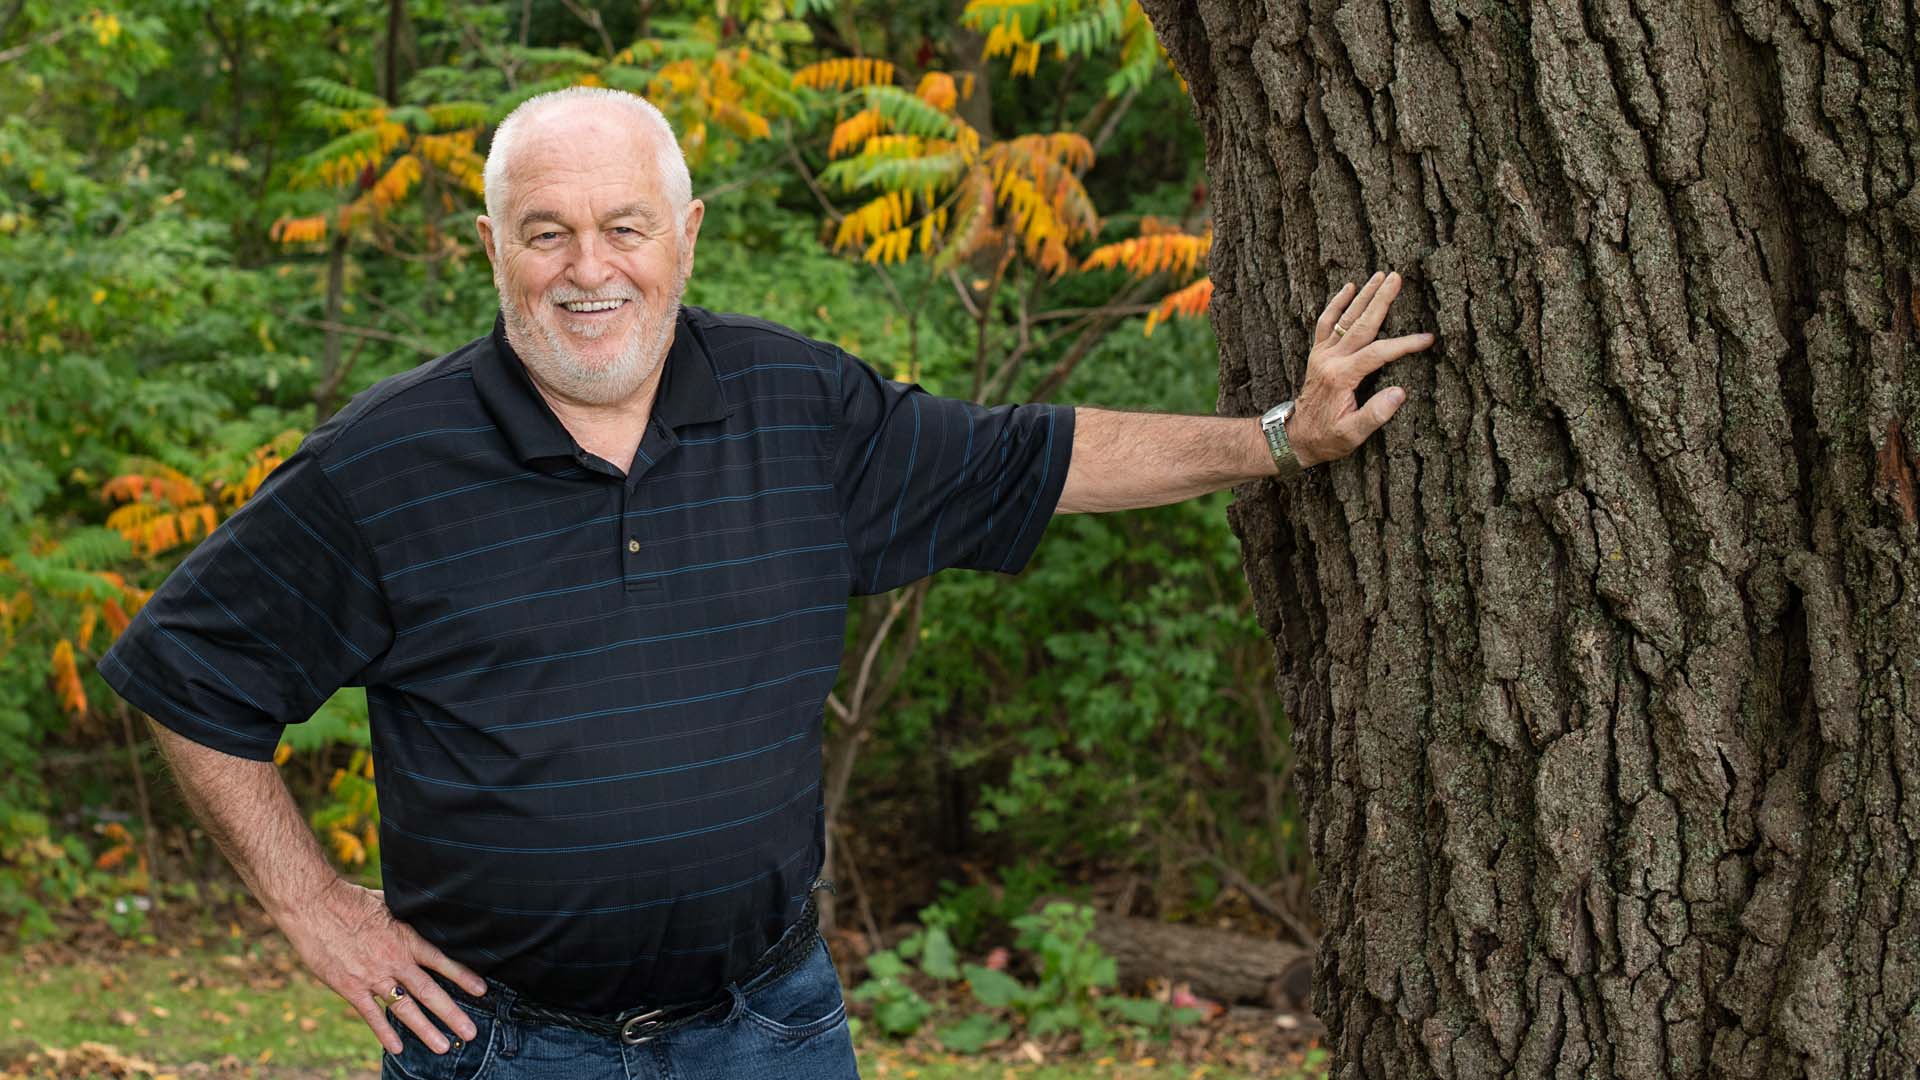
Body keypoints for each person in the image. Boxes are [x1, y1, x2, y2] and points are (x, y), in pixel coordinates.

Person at [98, 87, 1431, 1080]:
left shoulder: (796, 407)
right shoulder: (384, 466)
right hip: (500, 1048)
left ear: (684, 231)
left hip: (769, 1032)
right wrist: (308, 902)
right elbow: (187, 674)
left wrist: (1275, 440)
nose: (588, 270)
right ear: (489, 244)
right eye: (544, 233)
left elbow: (1038, 458)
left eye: (623, 226)